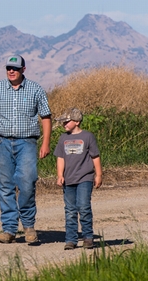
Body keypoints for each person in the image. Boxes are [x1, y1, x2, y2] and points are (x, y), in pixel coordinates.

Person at [0, 54, 52, 244]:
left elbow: (46, 117)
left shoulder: (35, 89)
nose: (11, 71)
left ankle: (28, 227)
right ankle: (9, 229)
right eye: (9, 68)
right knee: (5, 186)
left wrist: (45, 143)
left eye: (15, 69)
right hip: (1, 143)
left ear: (23, 70)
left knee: (27, 183)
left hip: (27, 143)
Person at [54, 107, 103, 250]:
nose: (64, 124)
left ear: (76, 121)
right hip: (68, 179)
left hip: (85, 178)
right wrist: (60, 175)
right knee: (70, 210)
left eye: (66, 122)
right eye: (63, 122)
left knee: (84, 207)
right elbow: (60, 158)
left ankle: (88, 237)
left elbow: (95, 156)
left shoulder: (88, 137)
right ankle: (71, 239)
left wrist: (98, 174)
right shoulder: (63, 138)